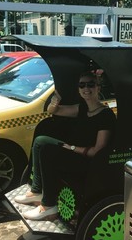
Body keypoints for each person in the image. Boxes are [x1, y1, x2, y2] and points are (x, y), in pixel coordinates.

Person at [15, 71, 116, 220]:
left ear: (98, 87)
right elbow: (54, 111)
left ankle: (48, 206)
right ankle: (37, 191)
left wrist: (73, 148)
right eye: (82, 85)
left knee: (48, 152)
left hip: (89, 162)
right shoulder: (82, 108)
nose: (86, 88)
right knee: (41, 141)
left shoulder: (105, 115)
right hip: (73, 151)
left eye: (90, 84)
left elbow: (98, 151)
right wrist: (54, 101)